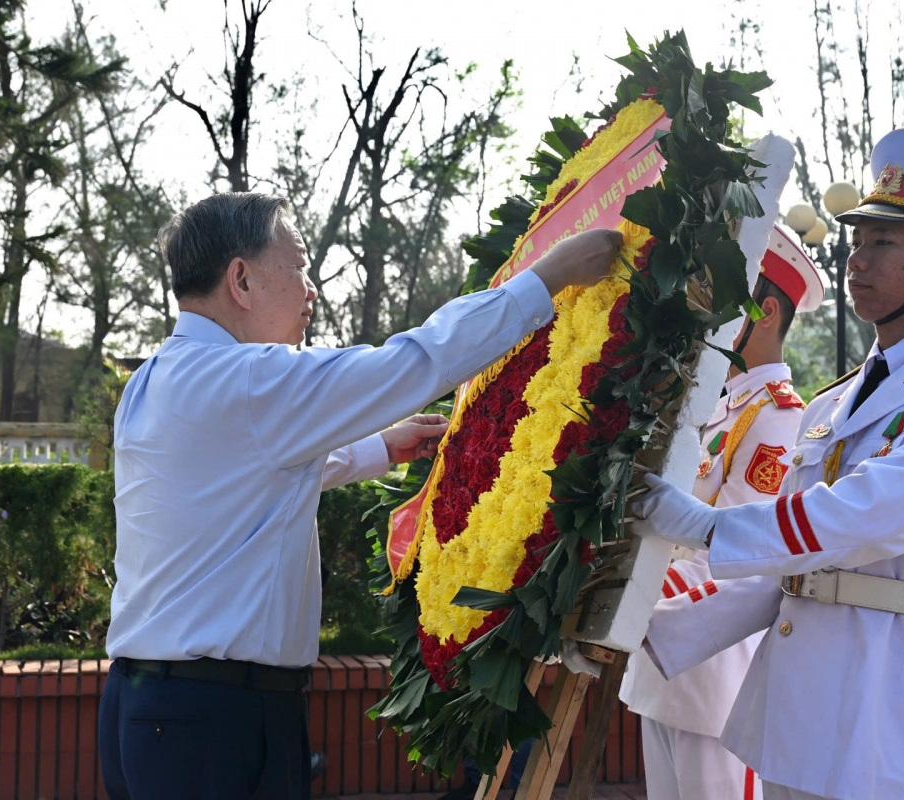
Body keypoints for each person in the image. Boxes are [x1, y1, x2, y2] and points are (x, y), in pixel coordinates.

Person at [97, 191, 622, 800]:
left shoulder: (159, 379)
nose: (311, 288)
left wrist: (381, 448)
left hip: (155, 708)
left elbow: (242, 480)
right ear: (240, 279)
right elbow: (413, 361)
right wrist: (546, 279)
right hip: (213, 718)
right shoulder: (245, 378)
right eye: (298, 267)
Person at [631, 129, 904, 800]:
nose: (858, 261)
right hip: (793, 711)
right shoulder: (832, 403)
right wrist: (641, 620)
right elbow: (786, 563)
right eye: (857, 242)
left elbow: (867, 515)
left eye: (884, 244)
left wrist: (705, 527)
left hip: (886, 705)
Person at [618, 226, 824, 800]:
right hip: (661, 662)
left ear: (766, 310)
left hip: (712, 666)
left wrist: (636, 593)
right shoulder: (713, 408)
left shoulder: (779, 420)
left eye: (724, 296)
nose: (705, 312)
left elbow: (739, 550)